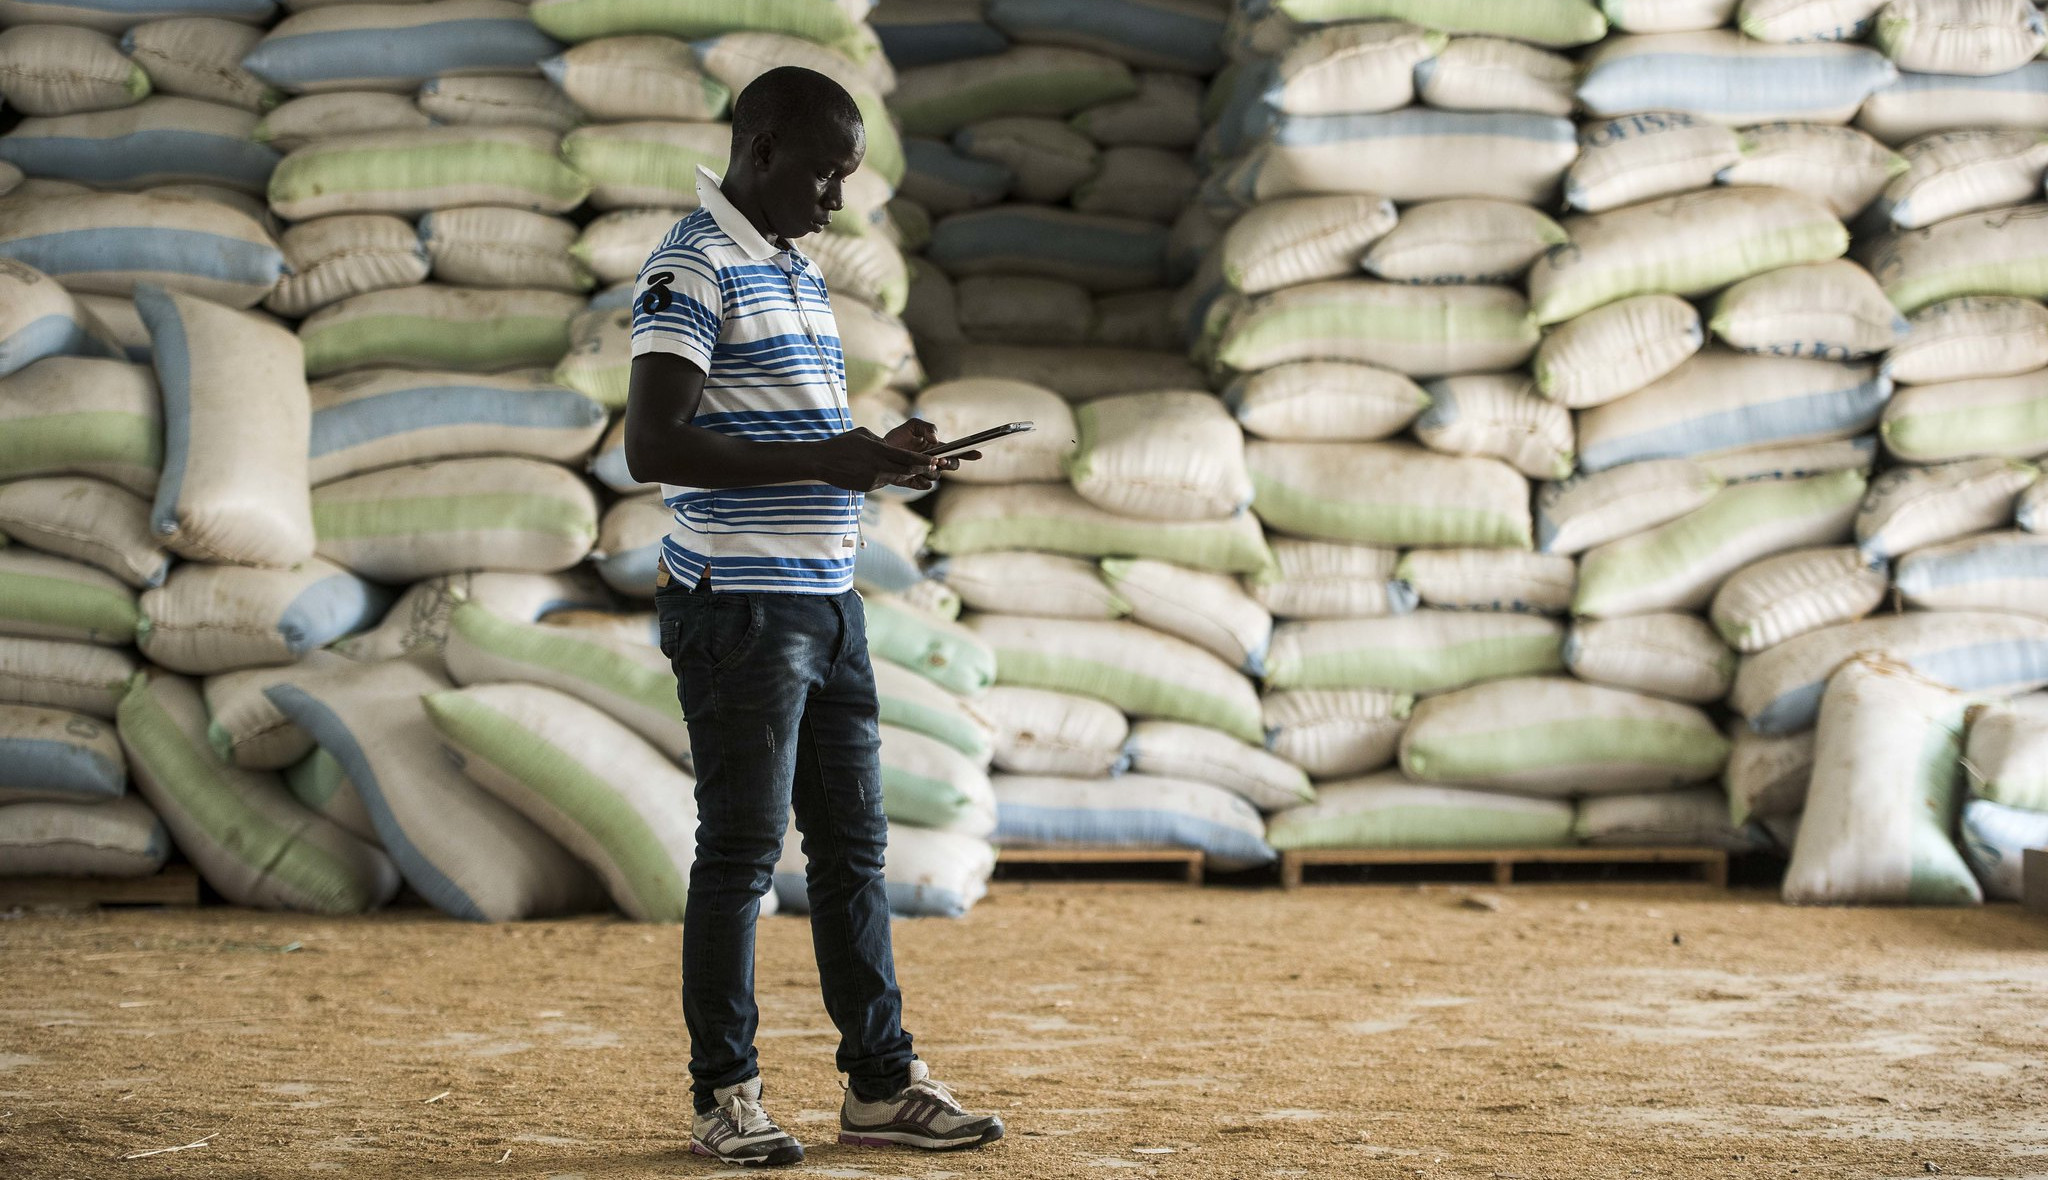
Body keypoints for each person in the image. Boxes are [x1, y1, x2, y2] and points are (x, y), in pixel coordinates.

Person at [620, 66, 1005, 1167]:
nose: (835, 202)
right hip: (738, 607)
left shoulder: (790, 268)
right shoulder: (690, 265)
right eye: (826, 176)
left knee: (851, 850)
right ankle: (723, 1097)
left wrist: (881, 460)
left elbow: (792, 437)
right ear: (762, 150)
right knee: (741, 853)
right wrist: (829, 458)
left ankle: (880, 1086)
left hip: (825, 602)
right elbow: (654, 444)